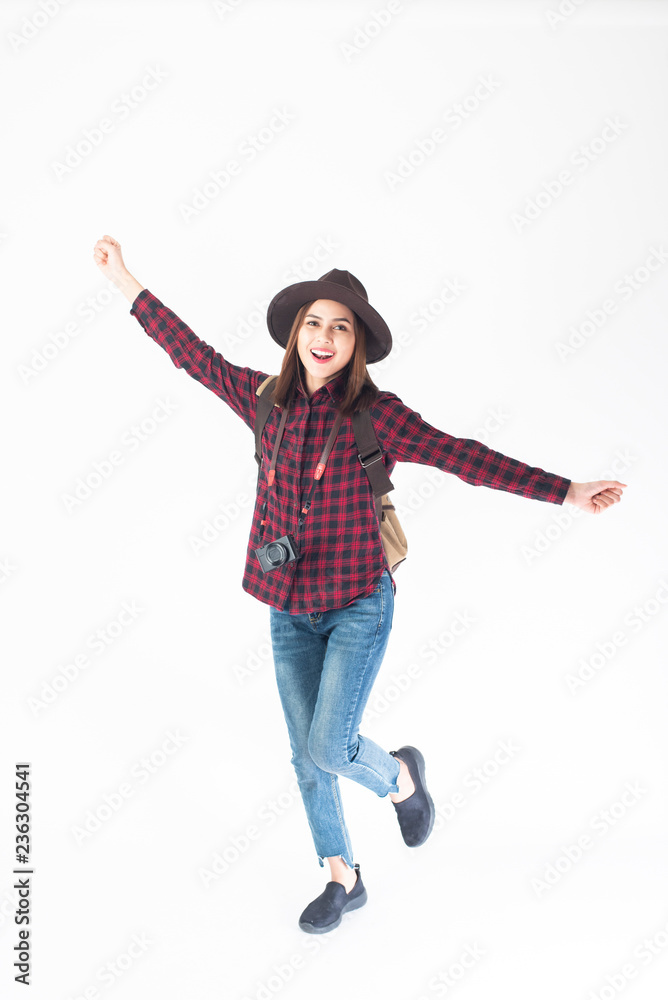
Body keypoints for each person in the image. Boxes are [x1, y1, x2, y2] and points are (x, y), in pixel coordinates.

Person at [92, 235, 627, 933]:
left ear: (356, 346)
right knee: (305, 753)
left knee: (328, 746)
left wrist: (567, 492)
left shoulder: (378, 416)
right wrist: (124, 279)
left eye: (341, 327)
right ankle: (343, 876)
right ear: (296, 334)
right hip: (287, 608)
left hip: (358, 605)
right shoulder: (263, 400)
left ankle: (403, 777)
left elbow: (465, 457)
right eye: (314, 322)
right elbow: (191, 354)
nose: (324, 336)